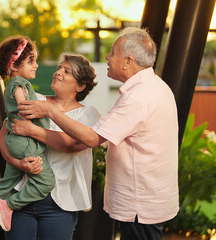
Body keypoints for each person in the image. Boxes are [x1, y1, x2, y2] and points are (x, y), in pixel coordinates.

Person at [18, 27, 179, 240]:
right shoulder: (155, 87)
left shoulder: (138, 97)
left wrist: (49, 111)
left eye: (112, 52)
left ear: (128, 61)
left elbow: (91, 139)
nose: (107, 57)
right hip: (148, 199)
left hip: (140, 203)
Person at [0, 54, 100, 240]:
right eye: (59, 68)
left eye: (66, 71)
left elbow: (72, 144)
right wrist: (17, 163)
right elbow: (2, 137)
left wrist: (31, 130)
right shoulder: (34, 99)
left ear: (80, 86)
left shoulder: (88, 114)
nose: (58, 72)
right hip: (20, 195)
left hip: (61, 205)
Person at [0, 36, 56, 240]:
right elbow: (25, 109)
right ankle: (8, 205)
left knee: (6, 183)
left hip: (14, 142)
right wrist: (47, 111)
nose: (36, 65)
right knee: (46, 182)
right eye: (31, 61)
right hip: (25, 143)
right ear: (14, 65)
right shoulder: (20, 83)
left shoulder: (13, 83)